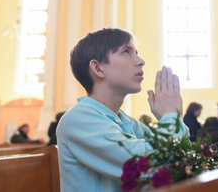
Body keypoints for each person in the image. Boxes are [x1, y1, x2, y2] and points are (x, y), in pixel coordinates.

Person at [56, 28, 189, 192]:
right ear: (98, 68)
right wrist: (171, 116)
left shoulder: (127, 122)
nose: (141, 61)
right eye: (126, 52)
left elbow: (180, 159)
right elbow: (146, 165)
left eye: (136, 52)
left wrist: (171, 117)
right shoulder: (78, 119)